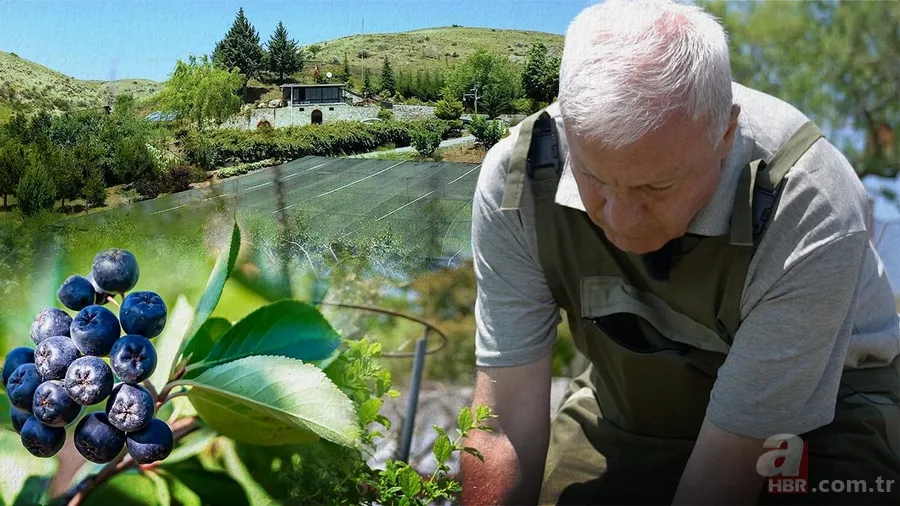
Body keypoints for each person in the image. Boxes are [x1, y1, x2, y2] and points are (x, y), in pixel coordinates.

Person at [460, 1, 900, 505]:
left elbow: (722, 479)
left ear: (726, 134)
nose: (619, 219)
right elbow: (503, 428)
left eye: (658, 185)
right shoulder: (517, 184)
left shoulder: (807, 201)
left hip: (824, 413)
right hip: (633, 399)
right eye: (594, 180)